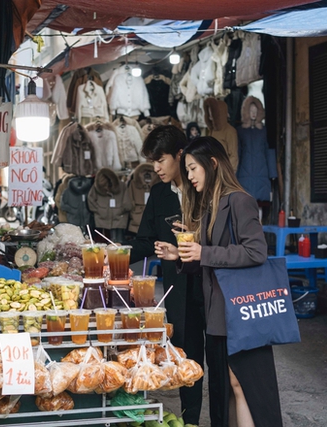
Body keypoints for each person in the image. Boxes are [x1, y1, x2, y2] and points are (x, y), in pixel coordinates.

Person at [155, 136, 283, 427]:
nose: (188, 176)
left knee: (243, 386)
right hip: (217, 315)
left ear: (212, 164)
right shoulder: (210, 205)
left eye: (192, 169)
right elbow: (208, 259)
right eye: (186, 170)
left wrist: (204, 251)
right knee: (227, 387)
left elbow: (256, 251)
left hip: (240, 311)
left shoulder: (240, 201)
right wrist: (180, 254)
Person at [127, 125, 207, 426]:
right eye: (153, 161)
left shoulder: (203, 189)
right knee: (187, 357)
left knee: (219, 356)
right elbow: (146, 240)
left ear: (180, 154)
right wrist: (115, 255)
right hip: (178, 285)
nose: (156, 168)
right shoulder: (159, 193)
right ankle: (191, 421)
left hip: (210, 283)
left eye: (161, 160)